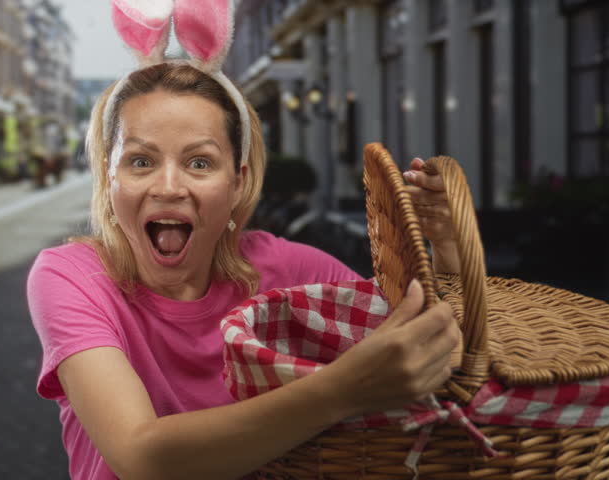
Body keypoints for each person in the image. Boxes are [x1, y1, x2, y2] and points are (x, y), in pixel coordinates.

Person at [27, 2, 460, 479]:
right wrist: (343, 391)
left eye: (199, 163)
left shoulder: (292, 272)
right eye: (140, 162)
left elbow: (425, 338)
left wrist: (448, 254)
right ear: (108, 180)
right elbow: (142, 457)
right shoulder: (70, 276)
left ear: (238, 181)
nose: (168, 187)